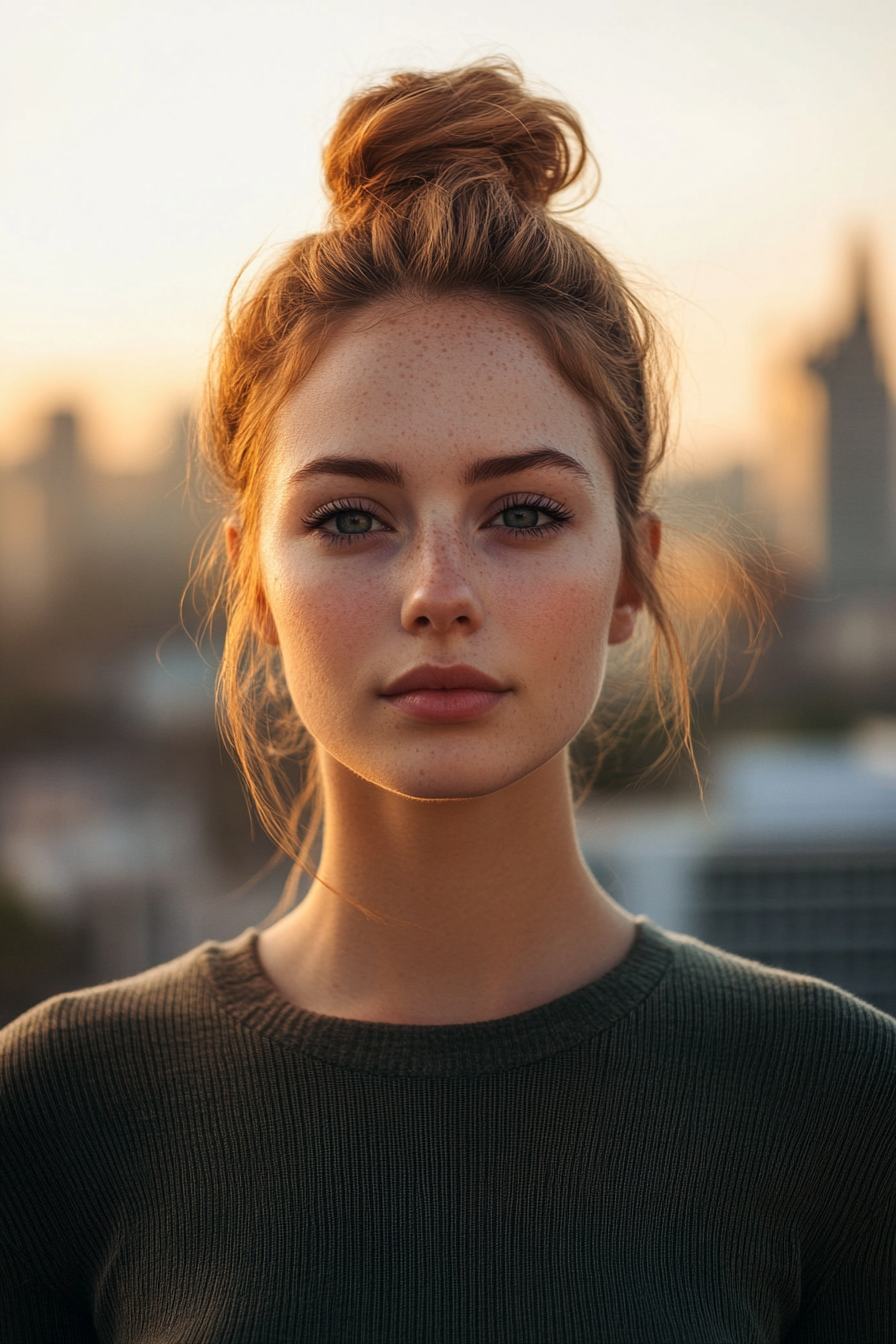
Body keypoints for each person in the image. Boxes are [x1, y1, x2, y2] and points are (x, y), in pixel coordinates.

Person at [1, 61, 894, 1344]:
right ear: (255, 583)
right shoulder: (52, 1115)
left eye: (522, 514)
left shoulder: (843, 1108)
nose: (436, 592)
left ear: (633, 574)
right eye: (350, 518)